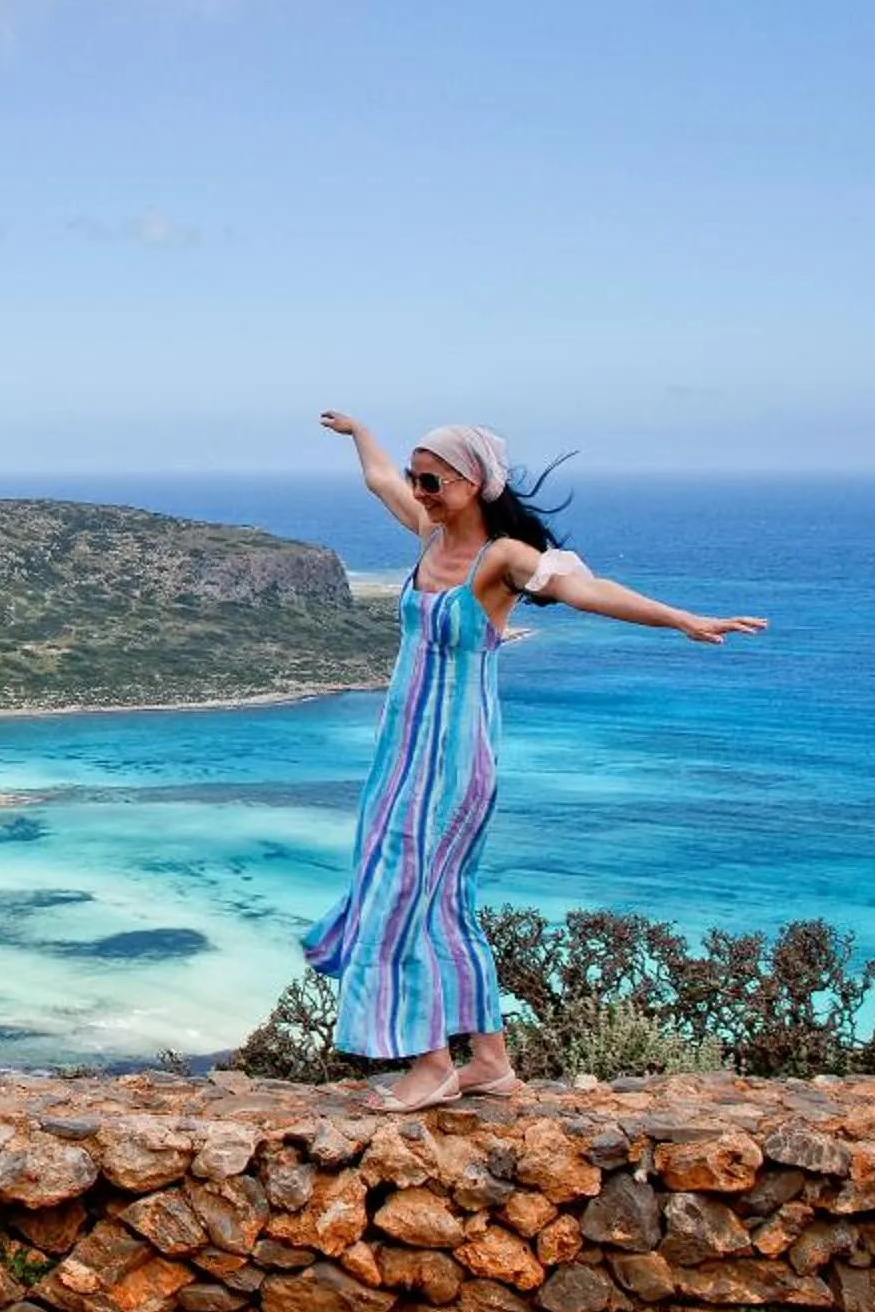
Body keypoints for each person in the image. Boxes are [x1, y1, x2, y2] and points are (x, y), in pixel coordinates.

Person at [304, 415, 767, 1112]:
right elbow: (377, 481)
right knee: (445, 899)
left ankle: (430, 1063)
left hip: (455, 751)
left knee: (400, 891)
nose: (419, 490)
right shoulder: (428, 536)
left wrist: (684, 619)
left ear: (476, 483)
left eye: (432, 480)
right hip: (401, 747)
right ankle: (489, 1060)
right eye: (417, 476)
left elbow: (587, 590)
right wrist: (360, 432)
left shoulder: (504, 557)